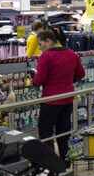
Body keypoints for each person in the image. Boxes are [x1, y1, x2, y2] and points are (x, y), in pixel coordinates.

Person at [32, 29, 85, 161]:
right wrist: (67, 81)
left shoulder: (46, 56)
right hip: (67, 98)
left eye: (40, 44)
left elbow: (39, 80)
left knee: (46, 133)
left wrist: (32, 79)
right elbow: (81, 74)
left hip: (51, 100)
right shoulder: (71, 53)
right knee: (64, 132)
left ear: (48, 41)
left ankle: (50, 163)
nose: (39, 47)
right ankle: (65, 162)